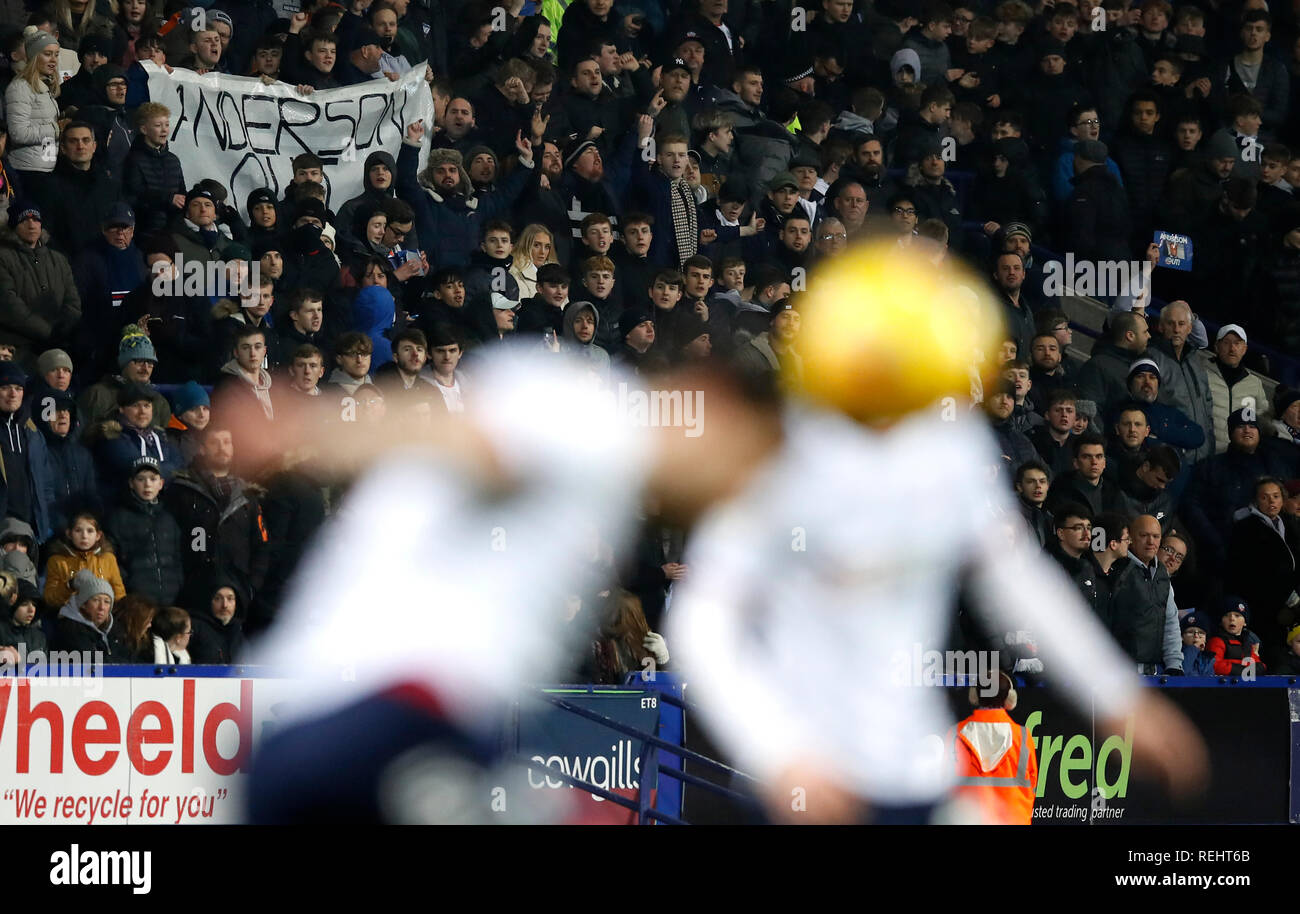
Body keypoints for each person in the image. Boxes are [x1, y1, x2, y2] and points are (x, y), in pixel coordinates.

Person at [948, 672, 1037, 825]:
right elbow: (1032, 784)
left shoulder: (955, 734)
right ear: (1010, 698)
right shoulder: (1022, 736)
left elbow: (946, 785)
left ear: (975, 695)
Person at [1110, 513, 1184, 674]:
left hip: (1154, 672)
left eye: (1156, 536)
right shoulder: (1116, 570)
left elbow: (1171, 622)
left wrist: (1174, 664)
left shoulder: (1163, 575)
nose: (1151, 541)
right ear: (1130, 538)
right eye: (1144, 535)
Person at [107, 455, 183, 606]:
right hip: (137, 603)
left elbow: (178, 557)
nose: (147, 485)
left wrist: (179, 584)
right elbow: (112, 561)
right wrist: (130, 588)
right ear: (131, 483)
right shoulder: (117, 518)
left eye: (153, 479)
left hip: (172, 600)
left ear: (161, 483)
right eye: (141, 479)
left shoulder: (170, 517)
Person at [42, 511, 125, 608]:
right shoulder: (57, 561)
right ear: (69, 534)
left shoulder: (107, 559)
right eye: (78, 530)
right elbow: (49, 598)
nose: (84, 536)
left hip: (101, 616)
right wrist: (69, 586)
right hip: (70, 617)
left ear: (98, 535)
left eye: (90, 531)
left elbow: (119, 593)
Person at [51, 569, 129, 662]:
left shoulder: (116, 630)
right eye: (96, 600)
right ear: (83, 604)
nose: (102, 607)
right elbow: (95, 663)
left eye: (107, 602)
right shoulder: (71, 630)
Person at [1207, 595, 1265, 676]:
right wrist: (1246, 668)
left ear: (1245, 622)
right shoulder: (1217, 641)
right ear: (1221, 621)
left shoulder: (1247, 643)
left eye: (1237, 615)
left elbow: (1261, 667)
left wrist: (1235, 666)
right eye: (1226, 615)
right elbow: (1214, 666)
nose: (1232, 619)